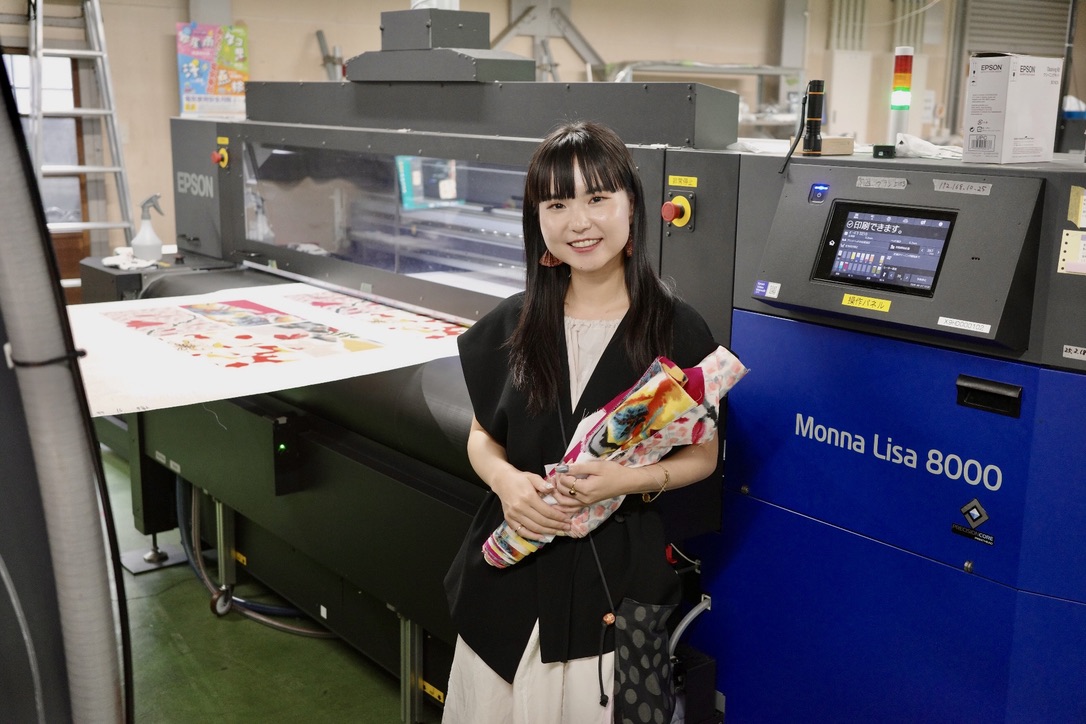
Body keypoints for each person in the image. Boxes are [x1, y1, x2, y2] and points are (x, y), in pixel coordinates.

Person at [443, 120, 720, 724]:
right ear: (537, 220)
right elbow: (482, 436)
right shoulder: (512, 325)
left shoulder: (676, 329)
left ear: (631, 206)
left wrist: (626, 481)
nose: (579, 222)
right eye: (557, 204)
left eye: (597, 198)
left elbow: (704, 456)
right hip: (511, 575)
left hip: (613, 587)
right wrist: (507, 484)